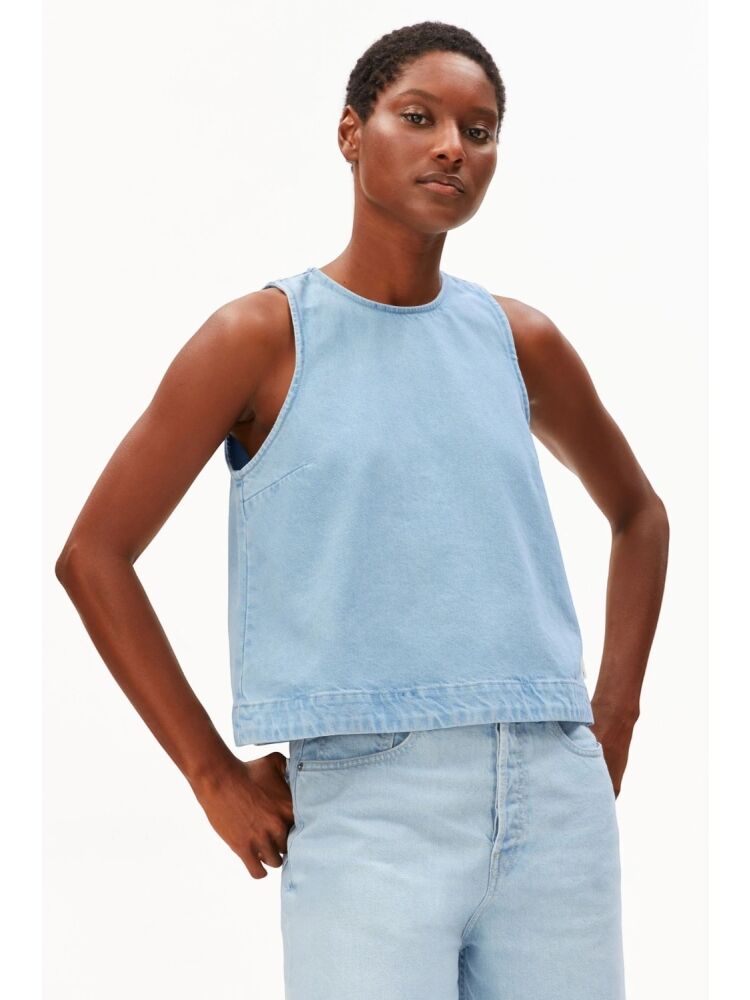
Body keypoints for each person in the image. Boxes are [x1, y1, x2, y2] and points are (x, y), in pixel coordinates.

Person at [56, 20, 669, 1000]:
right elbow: (94, 554)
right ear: (351, 132)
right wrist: (212, 774)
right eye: (419, 117)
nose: (452, 148)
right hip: (368, 806)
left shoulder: (519, 340)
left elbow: (640, 514)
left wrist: (613, 722)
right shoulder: (262, 338)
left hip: (556, 803)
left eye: (479, 130)